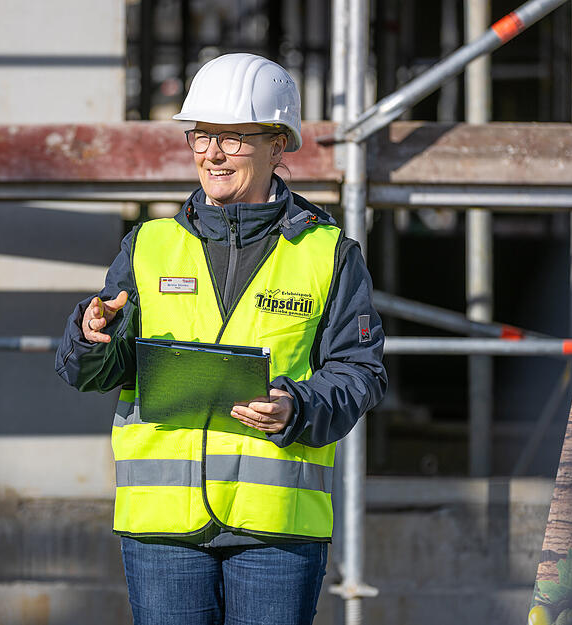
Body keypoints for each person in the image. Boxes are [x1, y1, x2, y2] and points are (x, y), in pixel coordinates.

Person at [56, 53, 387, 625]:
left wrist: (298, 406)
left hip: (275, 526)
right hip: (162, 526)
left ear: (278, 144)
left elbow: (360, 371)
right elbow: (95, 369)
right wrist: (91, 337)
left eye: (233, 139)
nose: (211, 153)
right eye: (201, 135)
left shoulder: (329, 253)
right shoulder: (149, 244)